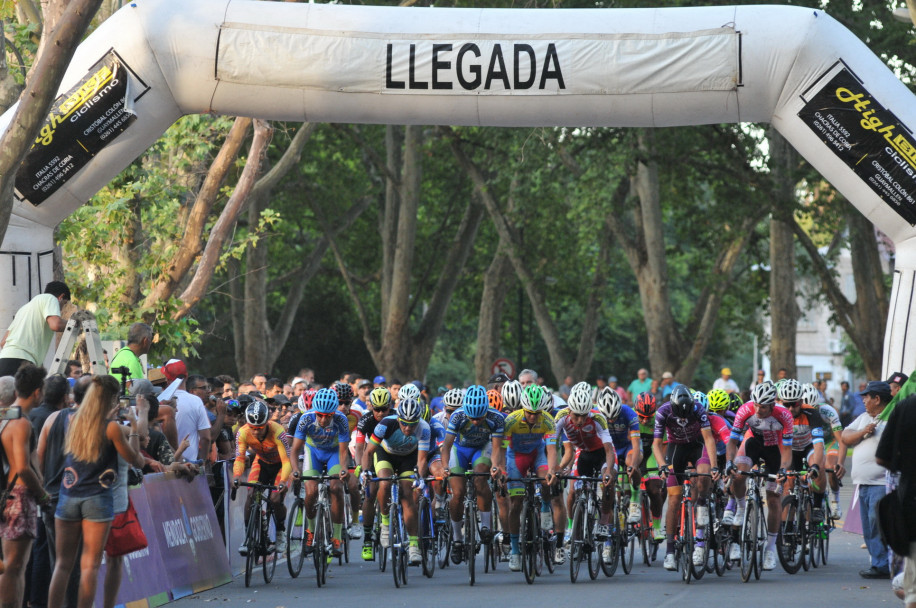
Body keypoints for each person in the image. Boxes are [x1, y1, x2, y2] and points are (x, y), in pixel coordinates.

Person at [47, 375, 145, 608]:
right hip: (97, 498)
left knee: (62, 564)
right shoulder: (111, 428)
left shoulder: (71, 420)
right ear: (111, 399)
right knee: (89, 565)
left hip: (68, 495)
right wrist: (133, 427)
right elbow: (135, 460)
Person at [723, 380, 793, 571]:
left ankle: (770, 550)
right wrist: (729, 462)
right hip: (753, 444)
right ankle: (740, 508)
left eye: (762, 407)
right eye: (755, 404)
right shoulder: (745, 410)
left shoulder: (784, 415)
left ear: (772, 405)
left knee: (773, 498)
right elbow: (732, 442)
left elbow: (787, 450)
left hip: (774, 451)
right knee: (738, 475)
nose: (757, 410)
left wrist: (782, 470)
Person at [0, 365, 53, 608]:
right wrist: (41, 494)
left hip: (10, 496)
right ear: (37, 391)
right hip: (19, 496)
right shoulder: (20, 421)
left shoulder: (8, 415)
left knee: (14, 567)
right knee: (15, 567)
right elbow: (21, 467)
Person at [652, 385, 720, 571]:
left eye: (686, 414)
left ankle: (702, 503)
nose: (682, 418)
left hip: (697, 445)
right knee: (674, 498)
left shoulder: (698, 408)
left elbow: (708, 439)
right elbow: (656, 444)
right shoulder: (663, 411)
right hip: (677, 449)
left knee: (704, 474)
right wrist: (662, 466)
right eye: (679, 415)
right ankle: (670, 552)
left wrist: (714, 466)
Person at [360, 397, 430, 565]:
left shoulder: (424, 428)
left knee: (407, 495)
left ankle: (413, 545)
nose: (408, 428)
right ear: (398, 419)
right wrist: (365, 471)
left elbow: (421, 460)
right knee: (384, 483)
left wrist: (420, 479)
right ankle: (385, 523)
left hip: (408, 458)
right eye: (404, 423)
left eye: (412, 424)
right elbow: (369, 452)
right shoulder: (386, 423)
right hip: (386, 454)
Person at [440, 385, 504, 564]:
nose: (475, 421)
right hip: (459, 450)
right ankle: (457, 541)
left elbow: (497, 448)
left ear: (486, 411)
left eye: (480, 417)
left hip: (481, 449)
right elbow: (446, 446)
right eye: (472, 417)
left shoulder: (496, 418)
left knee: (480, 478)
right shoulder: (457, 416)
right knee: (457, 494)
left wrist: (496, 466)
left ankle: (485, 526)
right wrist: (445, 467)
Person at [842, 380, 892, 579]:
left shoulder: (890, 419)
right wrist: (863, 432)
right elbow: (845, 436)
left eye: (867, 397)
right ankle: (878, 563)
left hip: (881, 482)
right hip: (862, 483)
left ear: (877, 399)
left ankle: (884, 564)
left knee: (878, 524)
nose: (863, 400)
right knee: (869, 527)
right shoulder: (864, 418)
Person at [233, 400, 291, 554]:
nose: (256, 432)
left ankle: (280, 531)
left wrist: (283, 482)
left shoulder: (278, 431)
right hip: (261, 463)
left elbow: (287, 462)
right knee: (251, 494)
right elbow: (239, 458)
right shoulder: (243, 432)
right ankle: (248, 537)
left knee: (275, 499)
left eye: (260, 428)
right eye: (253, 428)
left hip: (280, 466)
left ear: (267, 423)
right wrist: (237, 476)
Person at [876, 392, 916, 608]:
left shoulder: (904, 407)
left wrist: (906, 468)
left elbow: (882, 456)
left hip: (911, 501)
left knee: (913, 592)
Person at [0, 282, 70, 376]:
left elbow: (4, 342)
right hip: (22, 361)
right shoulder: (51, 298)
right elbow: (55, 324)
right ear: (61, 297)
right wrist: (75, 324)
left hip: (5, 359)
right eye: (64, 304)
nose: (60, 310)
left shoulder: (23, 309)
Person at [168, 362, 211, 462]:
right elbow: (206, 437)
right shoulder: (195, 401)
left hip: (166, 465)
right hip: (190, 465)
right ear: (186, 377)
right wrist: (202, 462)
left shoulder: (161, 399)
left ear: (167, 379)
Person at [108, 323, 153, 388]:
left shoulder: (123, 353)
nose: (150, 343)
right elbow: (134, 391)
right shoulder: (131, 360)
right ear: (145, 341)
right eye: (150, 340)